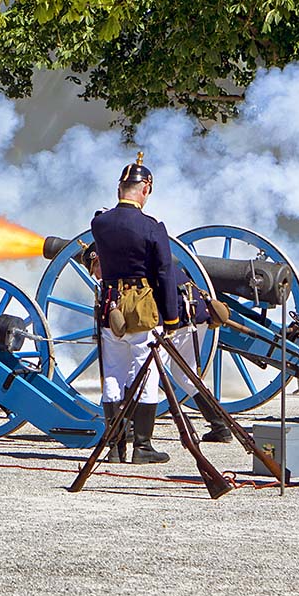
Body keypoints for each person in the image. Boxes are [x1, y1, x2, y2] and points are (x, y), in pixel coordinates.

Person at [90, 153, 177, 464]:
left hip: (109, 308)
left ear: (119, 189)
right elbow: (165, 273)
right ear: (146, 189)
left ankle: (114, 447)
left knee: (112, 374)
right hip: (141, 308)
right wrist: (171, 317)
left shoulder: (99, 223)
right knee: (147, 374)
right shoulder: (152, 227)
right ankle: (142, 446)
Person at [165, 278, 233, 443]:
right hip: (194, 311)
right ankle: (220, 426)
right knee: (186, 375)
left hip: (181, 316)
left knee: (151, 372)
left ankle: (132, 431)